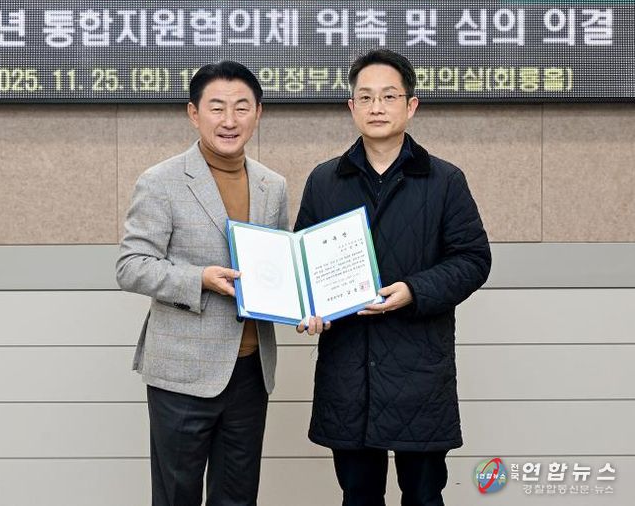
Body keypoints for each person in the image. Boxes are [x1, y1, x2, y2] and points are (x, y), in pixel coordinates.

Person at [294, 49, 491, 506]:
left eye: (388, 96)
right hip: (349, 372)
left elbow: (473, 259)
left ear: (411, 105)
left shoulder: (444, 180)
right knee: (358, 495)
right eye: (365, 97)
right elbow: (302, 263)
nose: (377, 107)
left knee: (424, 496)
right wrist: (309, 307)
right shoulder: (325, 180)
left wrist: (413, 291)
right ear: (352, 107)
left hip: (418, 372)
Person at [116, 60, 288, 506]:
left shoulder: (272, 185)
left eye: (241, 107)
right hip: (182, 373)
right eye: (217, 107)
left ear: (258, 113)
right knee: (177, 496)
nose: (229, 120)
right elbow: (131, 265)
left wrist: (305, 303)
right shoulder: (161, 181)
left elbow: (280, 266)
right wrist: (200, 280)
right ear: (194, 113)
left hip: (251, 373)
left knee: (238, 498)